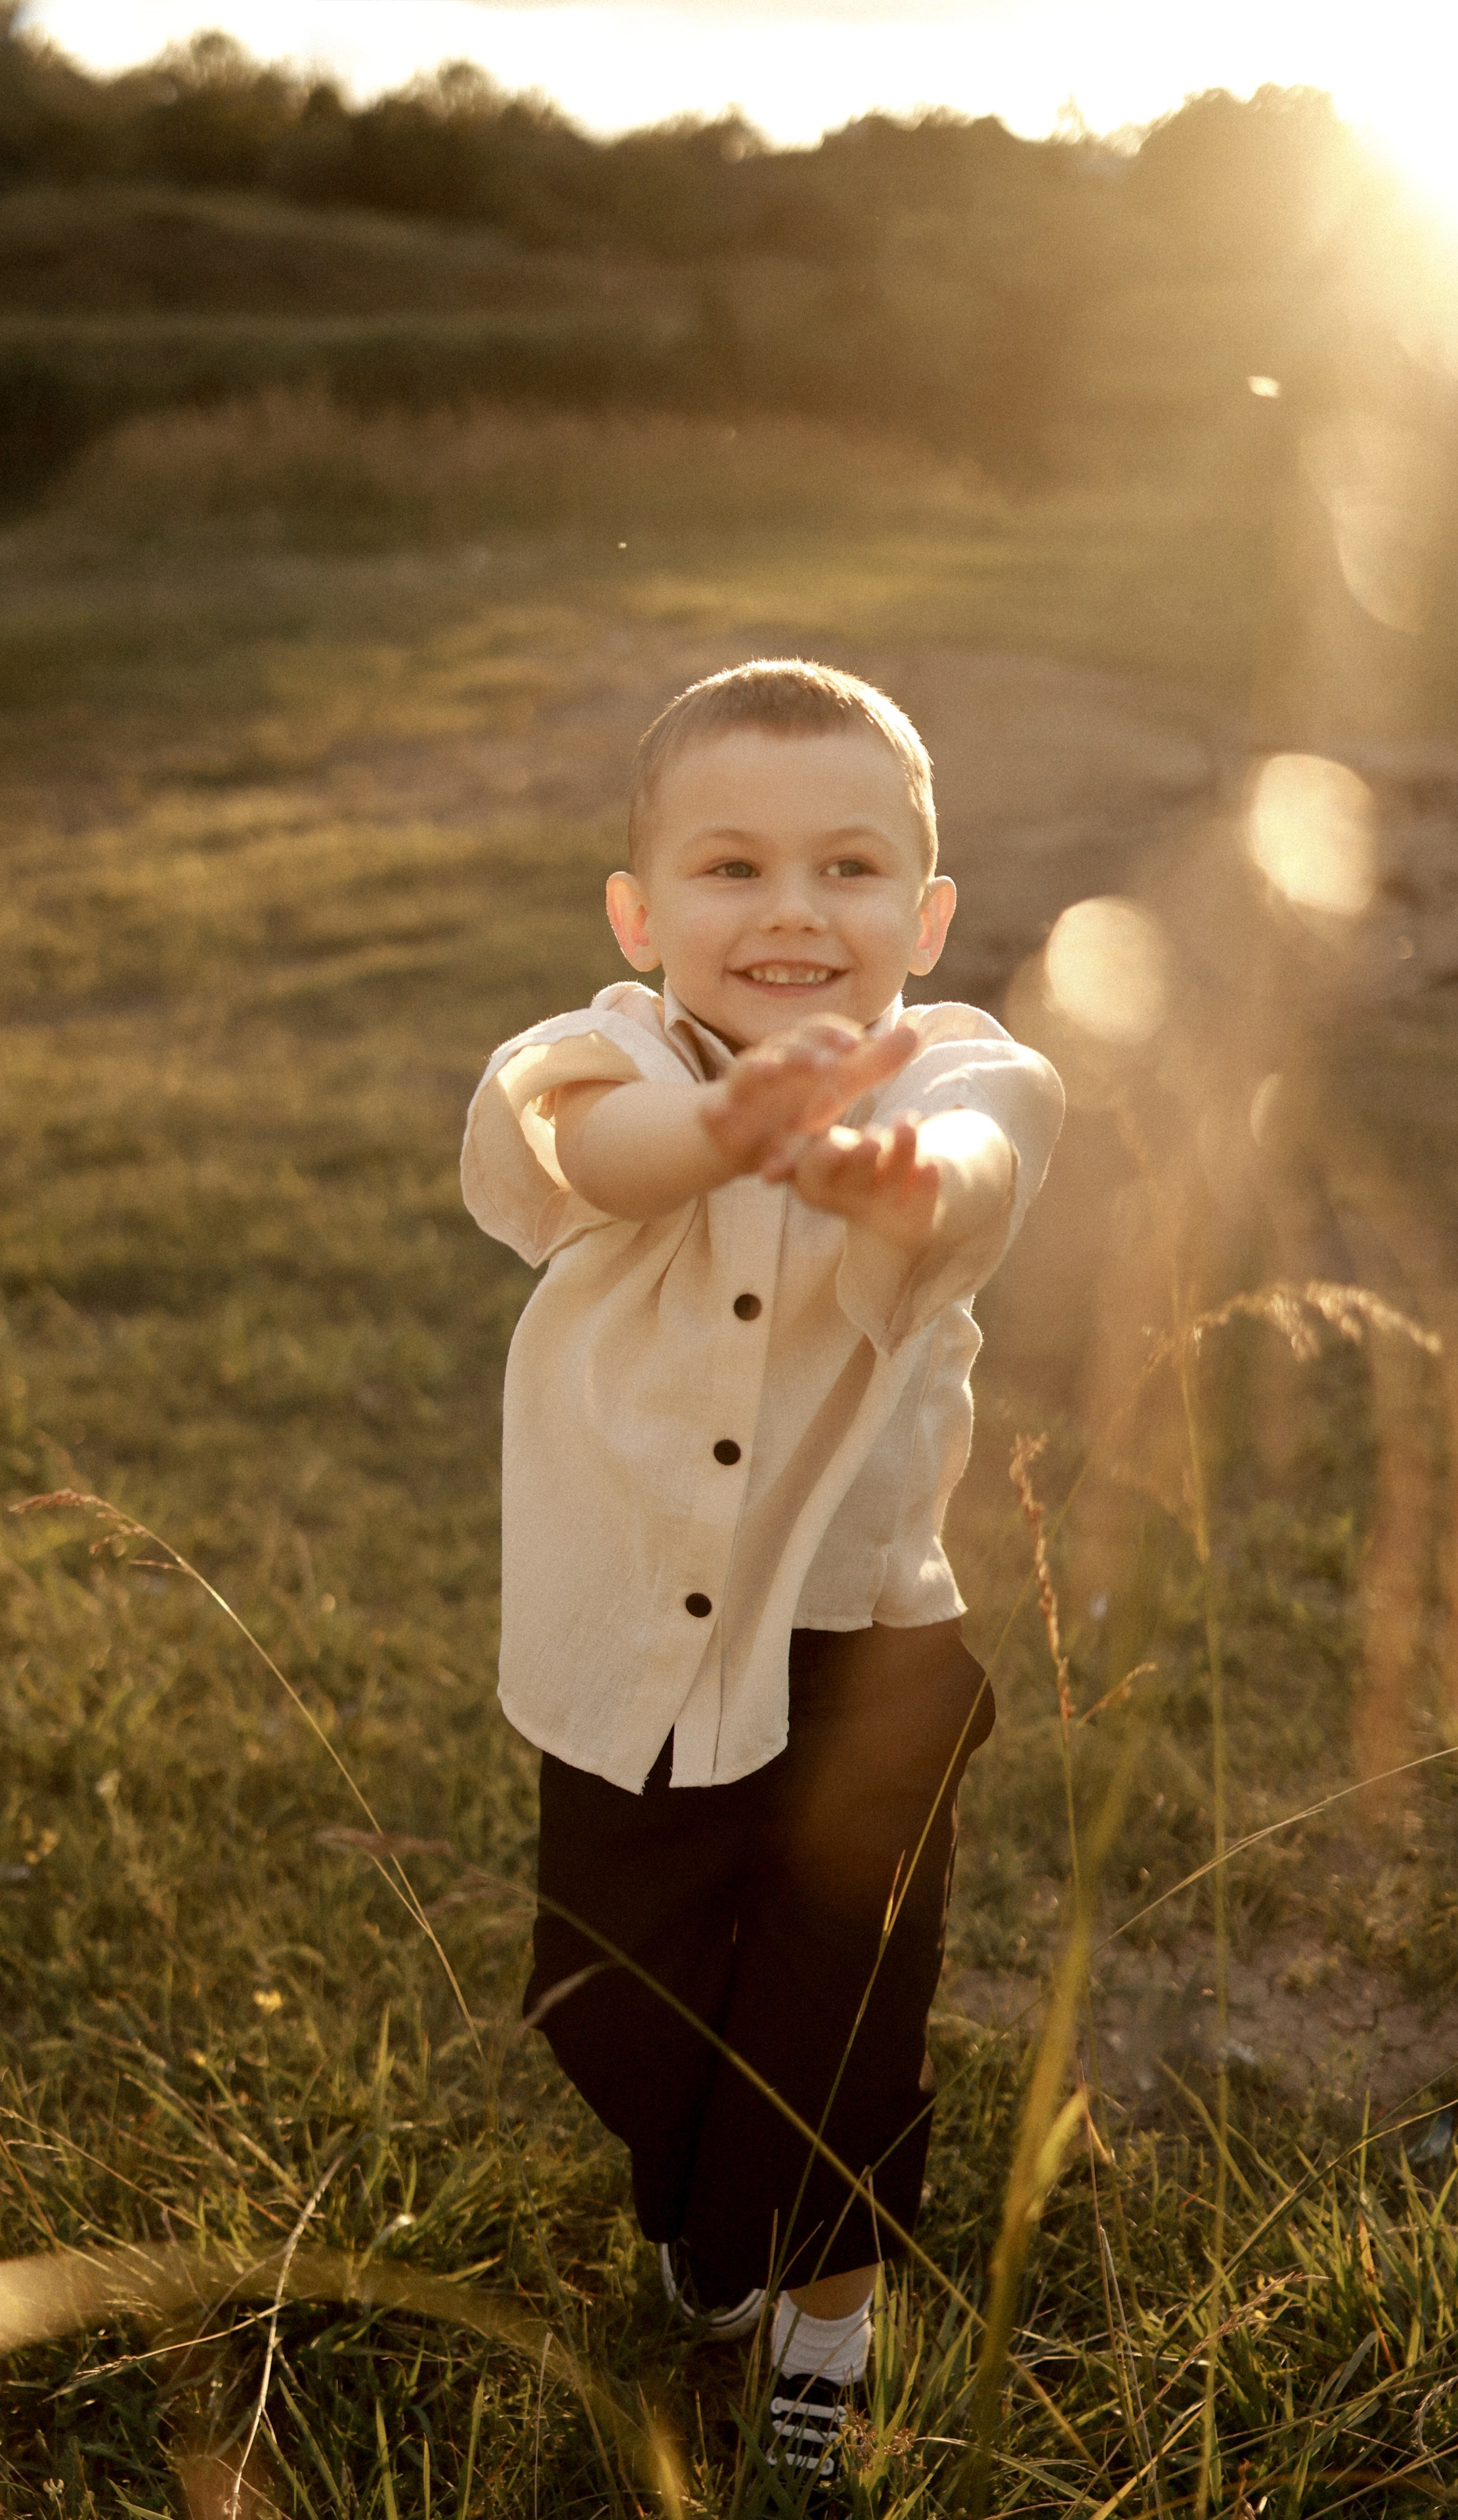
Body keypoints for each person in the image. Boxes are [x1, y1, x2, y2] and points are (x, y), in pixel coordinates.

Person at [460, 658, 1063, 2490]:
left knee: (845, 2025)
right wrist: (728, 1133)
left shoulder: (962, 1071)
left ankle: (822, 2333)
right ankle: (714, 2226)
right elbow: (591, 1151)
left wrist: (882, 1174)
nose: (793, 910)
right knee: (608, 2003)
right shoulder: (610, 1061)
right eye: (732, 868)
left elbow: (973, 1166)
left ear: (926, 917)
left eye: (848, 869)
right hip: (627, 1648)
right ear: (640, 914)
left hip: (871, 1658)